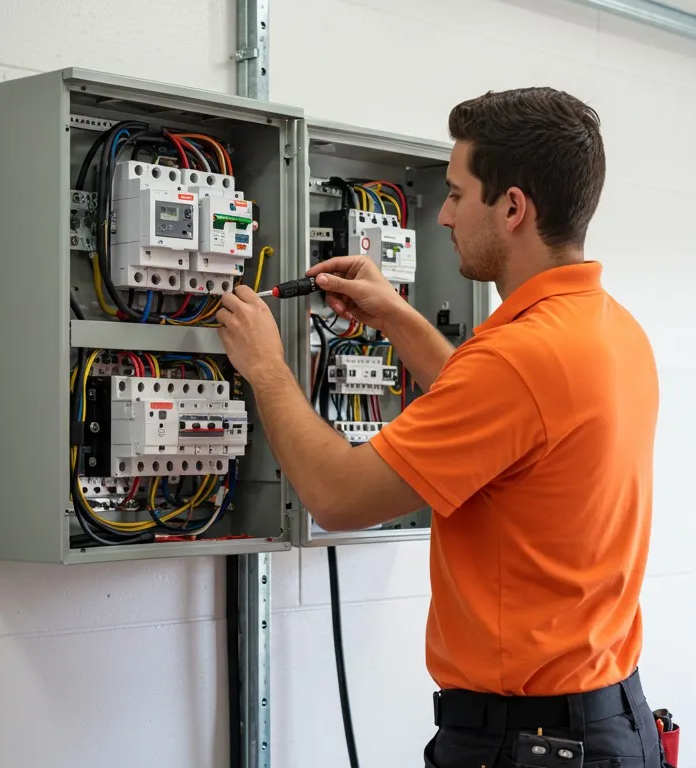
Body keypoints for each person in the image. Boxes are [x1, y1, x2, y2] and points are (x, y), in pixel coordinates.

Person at [215, 86, 662, 768]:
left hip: (526, 742)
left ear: (513, 207)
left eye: (457, 193)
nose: (445, 215)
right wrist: (394, 315)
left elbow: (337, 497)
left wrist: (267, 368)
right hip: (606, 721)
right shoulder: (606, 328)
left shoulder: (518, 357)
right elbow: (504, 415)